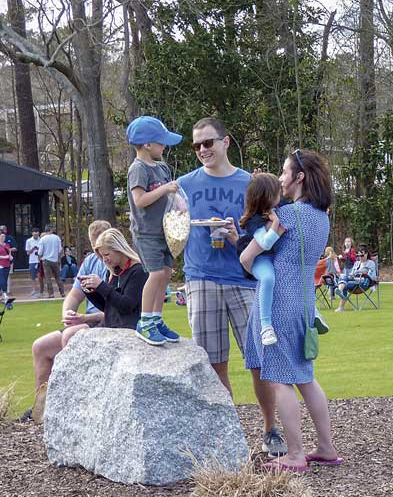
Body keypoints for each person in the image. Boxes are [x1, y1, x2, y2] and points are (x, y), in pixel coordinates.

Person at [177, 117, 284, 458]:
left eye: (208, 142)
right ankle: (229, 431)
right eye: (196, 146)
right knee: (214, 363)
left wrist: (240, 237)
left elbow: (271, 229)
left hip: (243, 280)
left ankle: (270, 429)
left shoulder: (250, 184)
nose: (202, 150)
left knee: (259, 360)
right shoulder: (183, 185)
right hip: (201, 278)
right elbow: (169, 225)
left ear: (226, 142)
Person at [244, 148, 340, 472]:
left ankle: (296, 455)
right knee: (307, 379)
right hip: (304, 305)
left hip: (277, 305)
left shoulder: (285, 217)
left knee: (280, 381)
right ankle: (326, 448)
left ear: (299, 177)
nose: (281, 178)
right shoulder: (322, 218)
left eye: (284, 173)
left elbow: (247, 258)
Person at [29, 226, 145, 423]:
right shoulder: (115, 271)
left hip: (122, 330)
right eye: (101, 256)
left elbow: (127, 307)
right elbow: (110, 307)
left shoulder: (138, 272)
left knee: (71, 335)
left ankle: (71, 402)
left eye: (107, 255)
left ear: (119, 249)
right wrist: (92, 291)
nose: (104, 260)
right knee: (40, 346)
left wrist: (102, 286)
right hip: (108, 325)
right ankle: (41, 408)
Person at [126, 115, 183, 345]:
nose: (164, 146)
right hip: (146, 232)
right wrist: (165, 190)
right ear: (147, 144)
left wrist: (178, 202)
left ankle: (157, 319)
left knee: (166, 275)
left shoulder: (162, 168)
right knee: (156, 274)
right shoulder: (138, 168)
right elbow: (139, 200)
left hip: (165, 231)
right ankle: (145, 321)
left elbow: (172, 196)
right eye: (161, 142)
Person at [237, 173, 287, 346]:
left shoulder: (280, 206)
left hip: (275, 256)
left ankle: (314, 312)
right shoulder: (254, 220)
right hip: (261, 259)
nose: (280, 196)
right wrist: (275, 224)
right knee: (267, 278)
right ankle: (266, 326)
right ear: (267, 197)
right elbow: (265, 243)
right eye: (277, 193)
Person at [334, 244, 377, 312]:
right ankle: (340, 291)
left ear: (366, 254)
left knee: (344, 282)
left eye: (362, 255)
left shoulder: (371, 263)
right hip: (354, 281)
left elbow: (371, 277)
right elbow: (351, 274)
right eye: (358, 256)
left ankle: (340, 297)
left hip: (363, 283)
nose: (360, 257)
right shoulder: (357, 263)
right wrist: (350, 277)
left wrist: (357, 278)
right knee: (343, 276)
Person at [38, 224, 64, 298]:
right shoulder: (56, 238)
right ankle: (62, 292)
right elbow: (60, 249)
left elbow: (40, 251)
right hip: (55, 259)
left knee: (48, 278)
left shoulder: (43, 239)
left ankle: (51, 293)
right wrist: (58, 257)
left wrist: (39, 257)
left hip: (46, 260)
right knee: (58, 277)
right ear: (51, 230)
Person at [0, 225, 17, 294]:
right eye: (1, 229)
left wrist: (7, 251)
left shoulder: (10, 238)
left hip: (8, 261)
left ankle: (8, 290)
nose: (2, 231)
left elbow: (15, 248)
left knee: (8, 275)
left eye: (3, 229)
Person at [25, 227, 42, 297]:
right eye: (34, 234)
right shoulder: (29, 241)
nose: (35, 235)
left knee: (40, 276)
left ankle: (41, 289)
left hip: (40, 260)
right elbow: (27, 253)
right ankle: (34, 289)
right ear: (32, 233)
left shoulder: (41, 240)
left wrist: (38, 249)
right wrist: (33, 249)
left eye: (37, 234)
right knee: (33, 276)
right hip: (32, 261)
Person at [0, 232, 12, 302]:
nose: (3, 238)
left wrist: (10, 257)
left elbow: (9, 253)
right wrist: (5, 257)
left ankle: (3, 294)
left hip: (7, 264)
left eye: (4, 236)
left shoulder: (7, 245)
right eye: (1, 236)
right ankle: (4, 293)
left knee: (5, 278)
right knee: (2, 279)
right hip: (0, 264)